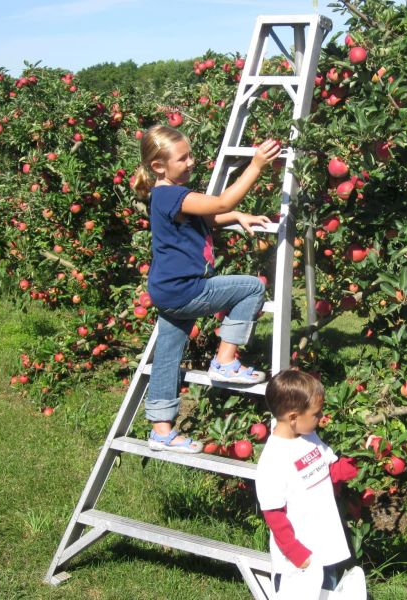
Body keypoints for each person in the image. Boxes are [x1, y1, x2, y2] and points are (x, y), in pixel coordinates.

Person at [132, 124, 281, 454]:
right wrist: (255, 165)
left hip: (166, 290)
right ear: (159, 166)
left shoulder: (165, 196)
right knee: (251, 288)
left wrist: (237, 216)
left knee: (169, 356)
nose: (191, 162)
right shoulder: (172, 194)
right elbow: (218, 203)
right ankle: (225, 360)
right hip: (186, 288)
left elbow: (209, 217)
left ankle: (161, 429)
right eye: (183, 158)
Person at [255, 370, 366, 599]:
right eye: (316, 414)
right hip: (300, 560)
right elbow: (273, 513)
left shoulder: (309, 437)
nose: (321, 416)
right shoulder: (274, 459)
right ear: (294, 417)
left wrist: (360, 460)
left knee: (329, 593)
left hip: (326, 545)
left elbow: (329, 471)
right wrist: (297, 553)